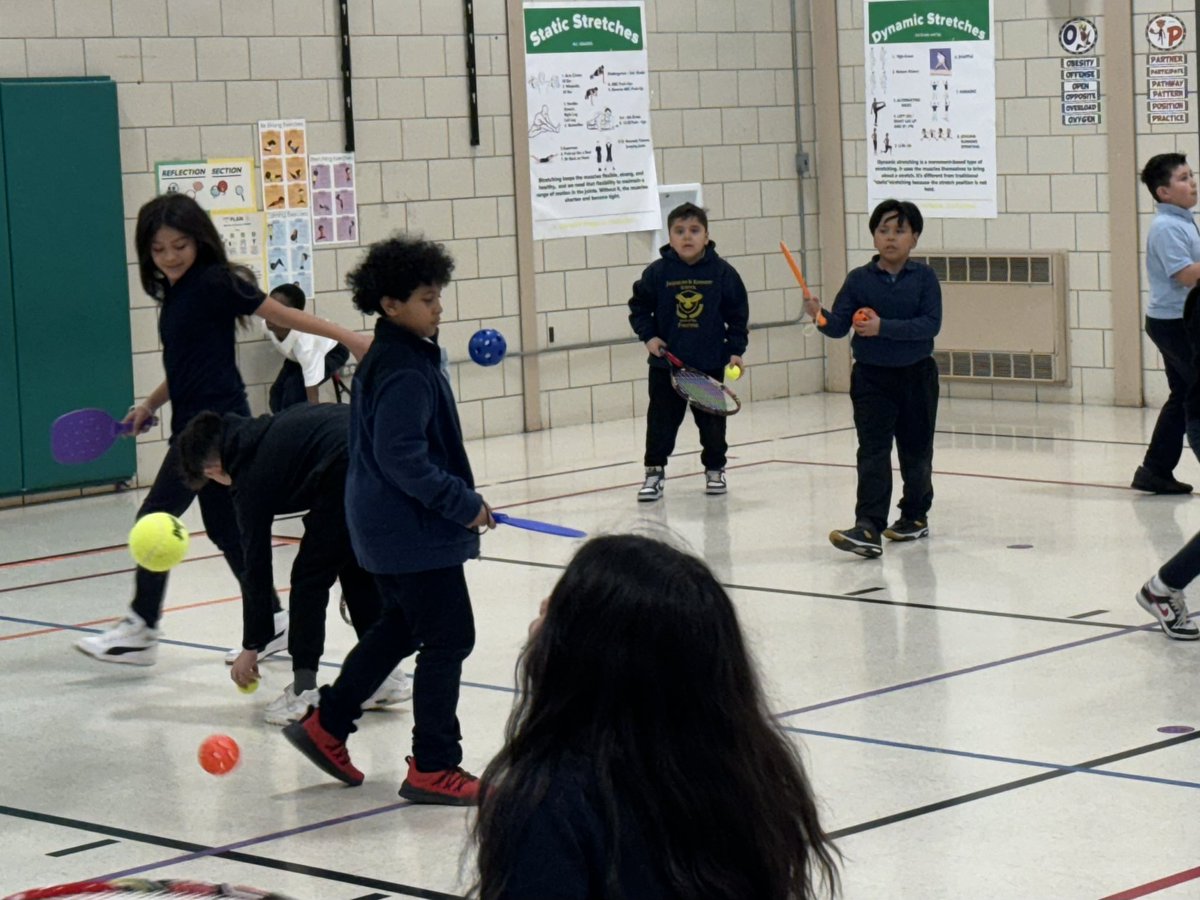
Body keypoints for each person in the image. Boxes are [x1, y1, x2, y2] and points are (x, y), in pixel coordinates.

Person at [76, 193, 369, 666]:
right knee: (227, 531)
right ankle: (271, 621)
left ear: (199, 241)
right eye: (158, 249)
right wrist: (150, 404)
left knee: (152, 520)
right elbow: (187, 363)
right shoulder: (176, 293)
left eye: (180, 245)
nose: (170, 257)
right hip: (197, 428)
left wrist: (351, 338)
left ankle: (142, 626)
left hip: (214, 430)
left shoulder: (214, 282)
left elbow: (280, 313)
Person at [473, 533, 840, 899]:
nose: (540, 613)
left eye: (557, 610)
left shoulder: (551, 801)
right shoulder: (748, 767)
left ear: (589, 653)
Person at [283, 234, 494, 805]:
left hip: (385, 526)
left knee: (402, 626)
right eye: (428, 298)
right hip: (411, 529)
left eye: (439, 297)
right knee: (451, 635)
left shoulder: (394, 354)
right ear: (391, 305)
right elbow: (404, 457)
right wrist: (463, 504)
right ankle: (434, 764)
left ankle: (328, 723)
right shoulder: (402, 367)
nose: (439, 307)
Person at [176, 405, 412, 723]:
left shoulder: (249, 474)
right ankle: (384, 676)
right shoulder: (264, 433)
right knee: (353, 568)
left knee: (308, 579)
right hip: (379, 453)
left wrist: (251, 646)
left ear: (214, 467)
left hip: (347, 466)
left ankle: (303, 691)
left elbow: (256, 567)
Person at [805, 199, 942, 559]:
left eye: (900, 231)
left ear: (914, 238)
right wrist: (819, 315)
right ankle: (868, 525)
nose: (891, 238)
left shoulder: (925, 278)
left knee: (916, 453)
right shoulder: (859, 279)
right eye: (883, 230)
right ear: (873, 236)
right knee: (873, 452)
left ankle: (914, 515)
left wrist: (883, 327)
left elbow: (930, 325)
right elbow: (837, 328)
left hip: (917, 377)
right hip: (871, 379)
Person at [628, 202, 748, 501]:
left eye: (694, 230)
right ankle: (654, 473)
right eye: (679, 231)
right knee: (661, 424)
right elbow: (639, 308)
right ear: (670, 237)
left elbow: (737, 315)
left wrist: (735, 350)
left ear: (706, 236)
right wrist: (649, 337)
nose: (687, 237)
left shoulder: (722, 273)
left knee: (712, 425)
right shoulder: (657, 273)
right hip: (666, 368)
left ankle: (715, 470)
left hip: (707, 368)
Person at [1133, 152, 1200, 494]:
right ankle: (1155, 468)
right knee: (1193, 392)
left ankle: (1155, 469)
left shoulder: (1183, 220)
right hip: (1174, 324)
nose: (1193, 184)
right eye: (1184, 178)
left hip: (1177, 321)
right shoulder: (1167, 228)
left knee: (1185, 393)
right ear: (1164, 192)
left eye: (1191, 176)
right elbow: (1187, 275)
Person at [263, 283, 350, 412]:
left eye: (279, 311)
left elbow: (312, 397)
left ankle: (296, 428)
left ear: (294, 315)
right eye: (270, 307)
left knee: (294, 392)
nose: (270, 314)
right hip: (298, 357)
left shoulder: (305, 343)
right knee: (276, 395)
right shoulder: (267, 325)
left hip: (331, 351)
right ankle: (282, 426)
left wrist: (311, 420)